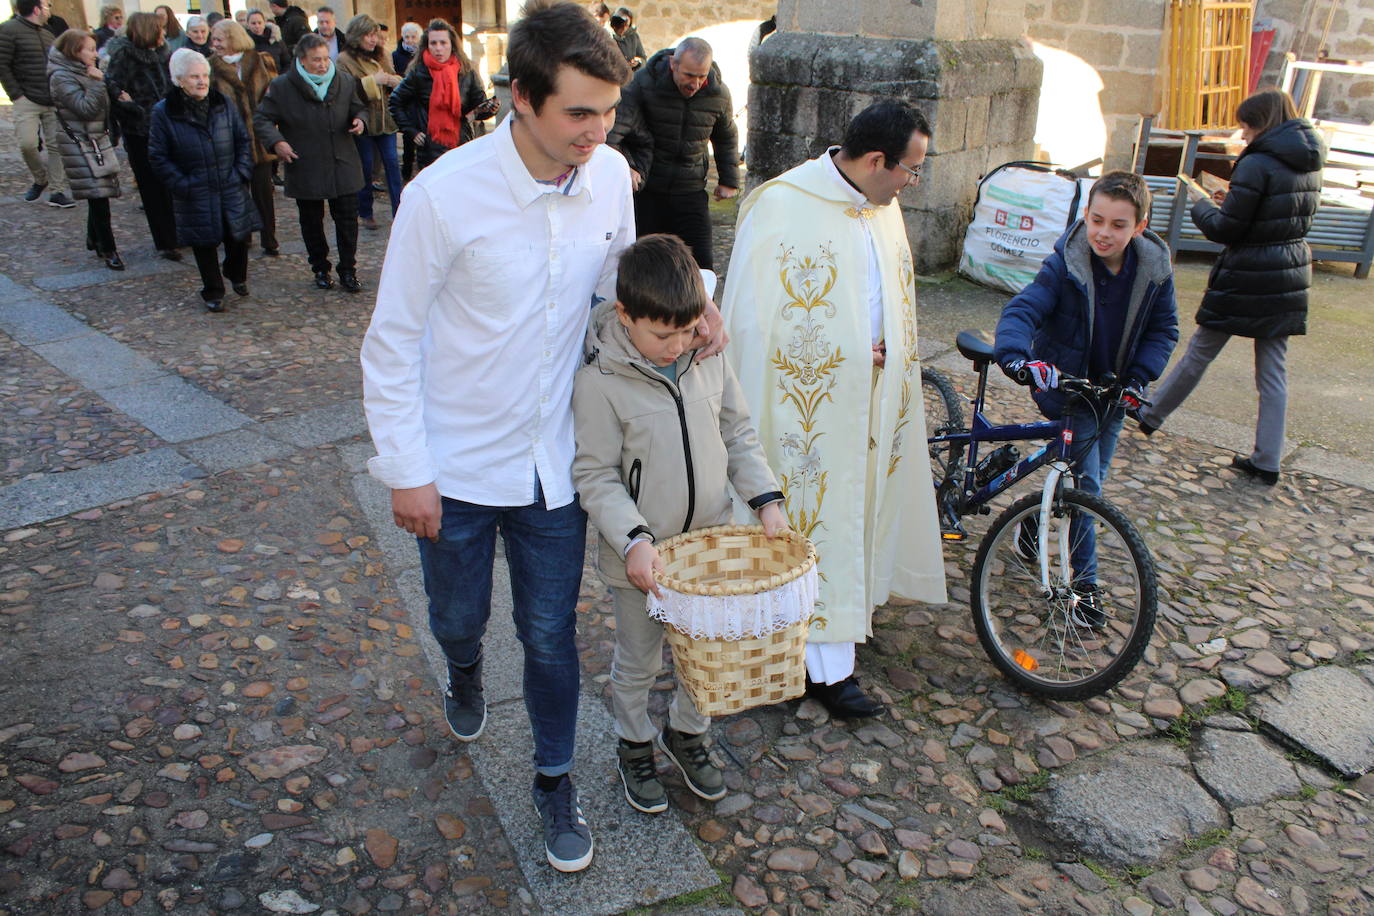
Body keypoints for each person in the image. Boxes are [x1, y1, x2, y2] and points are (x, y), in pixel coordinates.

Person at [362, 0, 711, 875]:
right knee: (458, 612)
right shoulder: (442, 197)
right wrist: (409, 470)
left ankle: (555, 781)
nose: (598, 132)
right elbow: (393, 340)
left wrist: (699, 303)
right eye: (578, 113)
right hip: (460, 464)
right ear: (521, 97)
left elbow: (617, 297)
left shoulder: (606, 179)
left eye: (607, 111)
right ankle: (464, 665)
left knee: (552, 636)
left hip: (557, 466)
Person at [721, 100, 947, 718]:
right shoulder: (781, 204)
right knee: (814, 518)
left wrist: (889, 354)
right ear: (877, 160)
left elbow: (890, 297)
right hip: (805, 412)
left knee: (854, 518)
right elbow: (751, 323)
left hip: (870, 405)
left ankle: (842, 624)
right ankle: (817, 662)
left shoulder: (882, 206)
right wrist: (848, 355)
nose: (912, 182)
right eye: (910, 169)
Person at [571, 234, 785, 814]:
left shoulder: (707, 355)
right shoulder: (601, 380)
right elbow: (594, 474)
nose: (674, 346)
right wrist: (634, 540)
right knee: (638, 661)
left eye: (686, 331)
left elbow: (737, 432)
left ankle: (689, 732)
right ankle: (635, 742)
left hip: (710, 545)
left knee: (706, 651)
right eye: (660, 335)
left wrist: (765, 498)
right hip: (640, 559)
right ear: (625, 315)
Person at [995, 171, 1179, 623]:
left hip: (1114, 393)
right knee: (1088, 485)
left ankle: (1034, 524)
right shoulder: (1066, 262)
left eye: (1118, 224)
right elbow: (1027, 306)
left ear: (1140, 226)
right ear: (1086, 215)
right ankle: (1085, 588)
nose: (1103, 232)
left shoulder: (1154, 269)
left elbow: (1164, 329)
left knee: (1083, 475)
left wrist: (1138, 378)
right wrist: (1018, 356)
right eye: (1096, 219)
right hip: (1068, 387)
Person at [1134, 89, 1324, 487]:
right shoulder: (1309, 159)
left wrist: (1202, 205)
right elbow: (1277, 213)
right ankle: (1268, 459)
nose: (1244, 133)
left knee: (1199, 352)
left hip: (1249, 273)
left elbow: (1227, 228)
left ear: (1260, 124)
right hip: (1289, 270)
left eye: (1246, 126)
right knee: (1273, 371)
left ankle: (1151, 414)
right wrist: (1233, 200)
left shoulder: (1258, 162)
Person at [607, 37, 737, 269]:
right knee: (643, 263)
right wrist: (627, 165)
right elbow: (617, 130)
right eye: (688, 75)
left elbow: (725, 136)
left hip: (690, 190)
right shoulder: (643, 83)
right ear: (672, 64)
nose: (695, 83)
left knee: (701, 266)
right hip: (648, 190)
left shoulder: (718, 94)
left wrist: (729, 180)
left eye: (701, 76)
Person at [254, 32, 367, 292]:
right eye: (316, 60)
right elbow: (262, 119)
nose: (323, 64)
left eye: (326, 59)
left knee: (348, 220)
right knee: (311, 222)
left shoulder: (344, 80)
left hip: (343, 163)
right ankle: (320, 268)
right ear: (302, 60)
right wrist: (277, 142)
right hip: (306, 164)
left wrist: (360, 120)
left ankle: (348, 269)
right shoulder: (283, 86)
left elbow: (359, 107)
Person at [149, 49, 259, 312]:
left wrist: (241, 171)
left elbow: (243, 139)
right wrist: (182, 183)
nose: (202, 81)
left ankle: (235, 273)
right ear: (179, 80)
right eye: (194, 77)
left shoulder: (222, 103)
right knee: (204, 241)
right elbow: (158, 155)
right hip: (195, 187)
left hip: (229, 182)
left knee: (238, 236)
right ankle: (213, 290)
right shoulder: (164, 112)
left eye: (205, 76)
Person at [47, 29, 125, 269]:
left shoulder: (84, 71)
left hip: (95, 140)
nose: (94, 53)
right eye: (89, 49)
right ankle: (109, 248)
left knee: (99, 193)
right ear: (74, 51)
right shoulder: (61, 76)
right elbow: (86, 108)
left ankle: (96, 239)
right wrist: (95, 82)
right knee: (98, 195)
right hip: (79, 143)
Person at [106, 12, 181, 258]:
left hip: (168, 127)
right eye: (159, 29)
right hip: (140, 132)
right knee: (152, 187)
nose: (163, 33)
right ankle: (166, 240)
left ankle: (179, 232)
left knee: (173, 182)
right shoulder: (124, 56)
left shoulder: (165, 53)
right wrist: (136, 110)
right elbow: (115, 92)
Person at [387, 18, 496, 174]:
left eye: (443, 43)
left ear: (452, 45)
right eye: (433, 43)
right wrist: (412, 131)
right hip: (431, 149)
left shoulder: (466, 72)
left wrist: (490, 109)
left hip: (461, 145)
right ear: (427, 45)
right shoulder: (419, 73)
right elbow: (395, 102)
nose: (438, 48)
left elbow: (478, 106)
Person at [210, 19, 279, 256]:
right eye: (214, 39)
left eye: (219, 39)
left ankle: (269, 239)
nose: (215, 44)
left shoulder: (258, 60)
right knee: (237, 193)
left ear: (233, 38)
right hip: (230, 141)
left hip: (259, 139)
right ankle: (243, 236)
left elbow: (272, 95)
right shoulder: (210, 68)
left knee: (263, 192)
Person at [0, 0, 75, 208]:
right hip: (26, 99)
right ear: (36, 9)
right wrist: (16, 95)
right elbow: (2, 64)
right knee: (27, 144)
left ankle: (57, 191)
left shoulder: (48, 33)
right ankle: (41, 179)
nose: (49, 9)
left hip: (51, 98)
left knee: (55, 146)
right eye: (46, 5)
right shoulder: (8, 30)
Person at [337, 13, 401, 227]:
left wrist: (392, 80)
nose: (373, 40)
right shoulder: (344, 60)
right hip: (363, 121)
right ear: (357, 36)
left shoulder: (381, 55)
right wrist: (372, 81)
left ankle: (399, 210)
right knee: (365, 166)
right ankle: (365, 211)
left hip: (386, 120)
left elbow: (395, 78)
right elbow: (345, 90)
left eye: (375, 35)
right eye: (368, 35)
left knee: (392, 163)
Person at [392, 20, 421, 179]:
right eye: (407, 37)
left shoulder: (423, 55)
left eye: (413, 37)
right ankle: (406, 174)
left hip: (421, 101)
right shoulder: (396, 55)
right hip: (406, 102)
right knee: (409, 140)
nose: (410, 40)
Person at [246, 8, 289, 73]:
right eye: (253, 23)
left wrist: (280, 79)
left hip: (276, 78)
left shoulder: (276, 40)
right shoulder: (245, 43)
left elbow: (287, 63)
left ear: (264, 23)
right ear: (248, 25)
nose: (257, 26)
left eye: (259, 23)